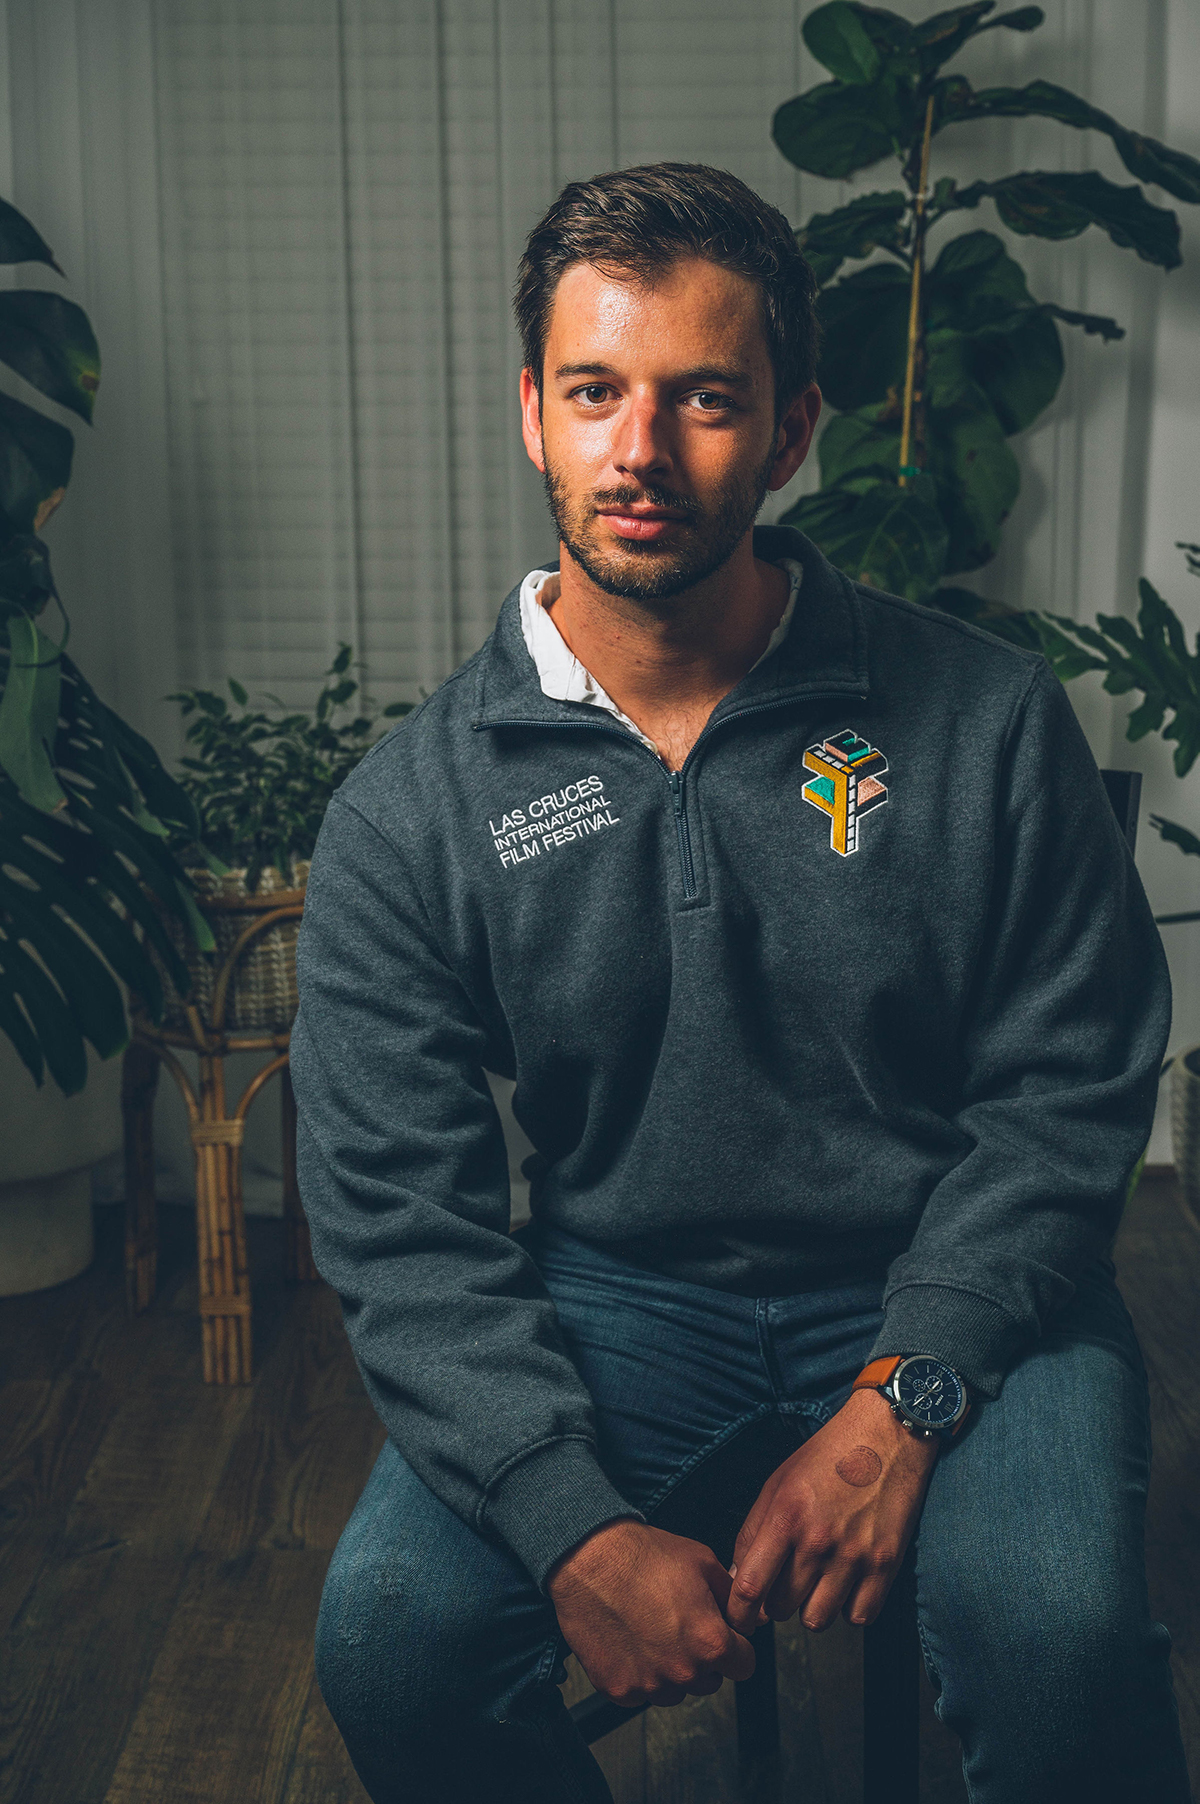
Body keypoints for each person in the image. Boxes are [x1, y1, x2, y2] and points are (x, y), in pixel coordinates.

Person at [290, 163, 1190, 1804]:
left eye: (704, 400)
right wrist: (569, 1523)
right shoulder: (414, 808)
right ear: (532, 415)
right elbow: (394, 1221)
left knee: (1053, 1628)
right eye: (595, 394)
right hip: (627, 1299)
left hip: (960, 1268)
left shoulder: (979, 722)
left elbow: (1068, 1096)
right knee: (395, 1635)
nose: (640, 454)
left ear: (787, 433)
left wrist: (904, 1401)